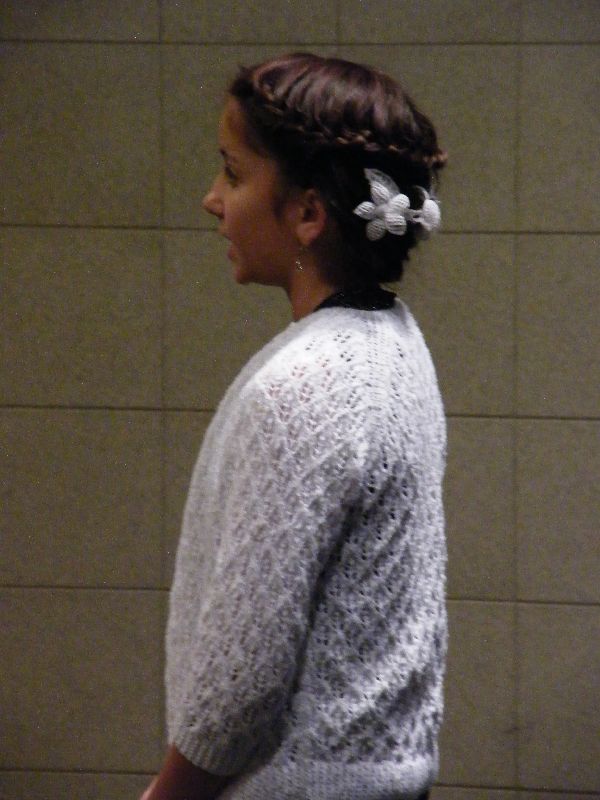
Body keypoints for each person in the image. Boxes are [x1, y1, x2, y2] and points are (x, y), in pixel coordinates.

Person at [141, 52, 448, 800]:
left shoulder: (304, 387)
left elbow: (243, 677)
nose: (213, 199)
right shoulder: (395, 340)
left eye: (233, 173)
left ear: (309, 214)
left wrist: (168, 795)